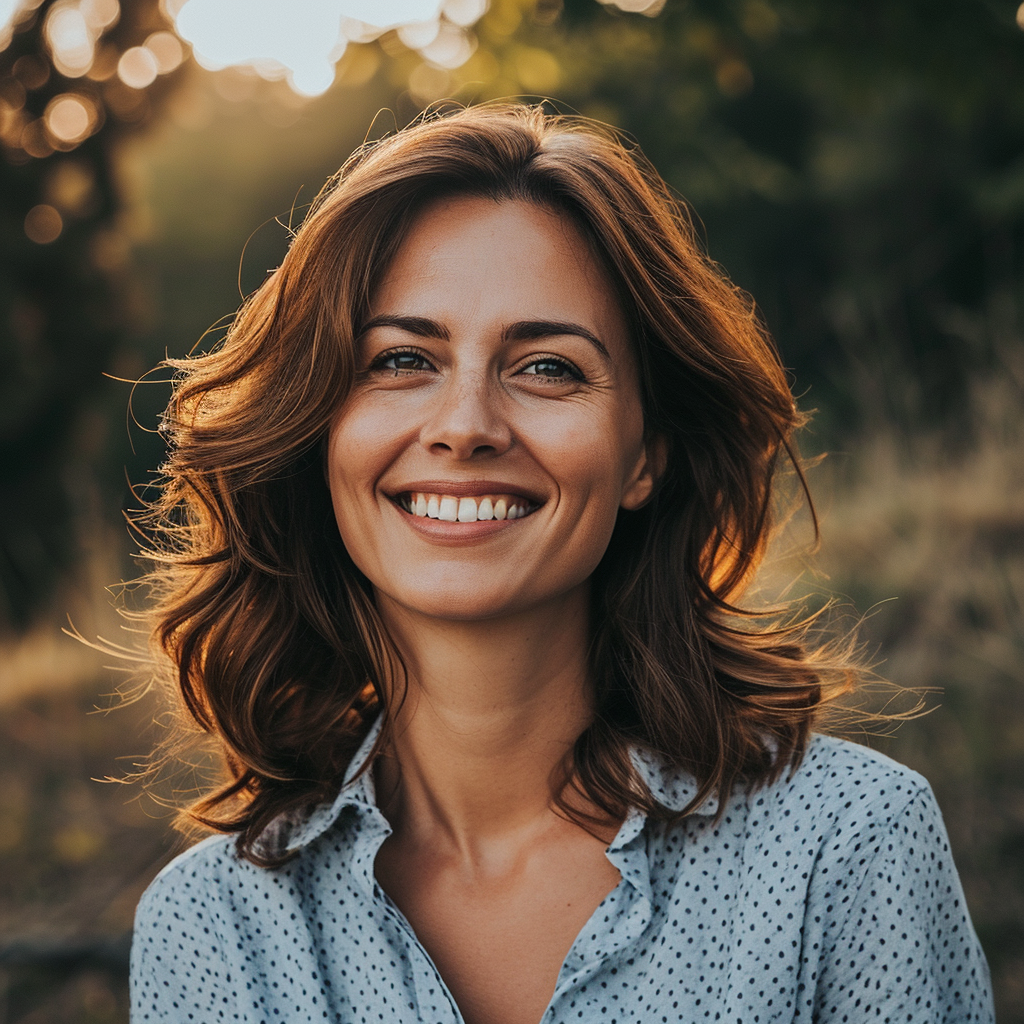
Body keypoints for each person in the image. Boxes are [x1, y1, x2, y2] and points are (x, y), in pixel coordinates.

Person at [128, 103, 994, 1024]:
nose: (464, 426)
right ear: (318, 429)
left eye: (547, 368)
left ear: (645, 455)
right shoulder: (211, 926)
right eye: (401, 359)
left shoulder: (846, 843)